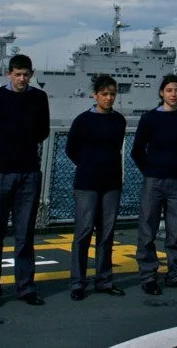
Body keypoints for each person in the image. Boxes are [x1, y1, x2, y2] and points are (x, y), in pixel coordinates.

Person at [0, 53, 50, 310]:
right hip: (0, 172)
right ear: (9, 74)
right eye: (17, 74)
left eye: (26, 74)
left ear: (31, 74)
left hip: (29, 172)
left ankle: (25, 287)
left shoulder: (39, 97)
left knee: (25, 234)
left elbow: (44, 130)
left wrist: (22, 145)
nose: (22, 79)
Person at [131, 74, 177, 295]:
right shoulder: (149, 118)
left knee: (175, 231)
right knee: (147, 229)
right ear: (161, 93)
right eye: (169, 90)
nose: (173, 94)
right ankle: (148, 276)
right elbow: (137, 151)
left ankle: (175, 274)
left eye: (176, 90)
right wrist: (151, 170)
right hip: (154, 180)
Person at [66, 75, 128, 300]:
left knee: (106, 234)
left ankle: (104, 280)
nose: (109, 98)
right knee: (83, 232)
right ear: (95, 95)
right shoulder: (82, 120)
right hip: (87, 184)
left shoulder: (119, 121)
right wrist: (87, 166)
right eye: (104, 94)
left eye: (112, 94)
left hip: (111, 184)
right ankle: (77, 282)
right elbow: (71, 149)